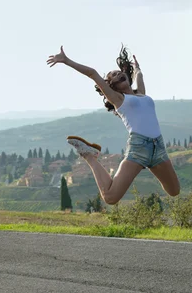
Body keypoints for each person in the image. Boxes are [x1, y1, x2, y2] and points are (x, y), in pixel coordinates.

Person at [46, 45, 180, 205]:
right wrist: (67, 61)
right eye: (113, 76)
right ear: (112, 86)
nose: (118, 74)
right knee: (110, 198)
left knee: (174, 191)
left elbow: (139, 77)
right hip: (139, 148)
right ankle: (90, 156)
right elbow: (92, 73)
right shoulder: (118, 100)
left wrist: (137, 68)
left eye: (119, 73)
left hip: (158, 148)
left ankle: (150, 167)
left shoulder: (141, 95)